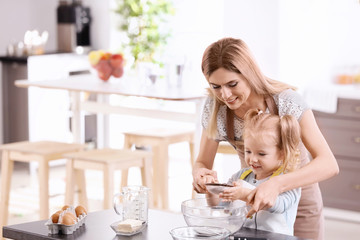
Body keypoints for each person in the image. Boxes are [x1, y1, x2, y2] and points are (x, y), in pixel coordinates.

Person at [192, 37, 339, 240]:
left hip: (299, 200)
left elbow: (329, 164)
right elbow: (203, 161)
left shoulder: (287, 101)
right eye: (215, 86)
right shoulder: (216, 108)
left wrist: (276, 184)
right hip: (252, 205)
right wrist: (201, 174)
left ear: (249, 74)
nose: (225, 95)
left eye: (232, 84)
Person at [218, 108, 301, 235]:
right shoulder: (241, 176)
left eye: (261, 154)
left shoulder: (288, 180)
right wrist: (212, 189)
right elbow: (222, 206)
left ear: (282, 154)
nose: (252, 159)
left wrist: (243, 194)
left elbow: (279, 205)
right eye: (248, 151)